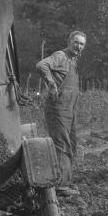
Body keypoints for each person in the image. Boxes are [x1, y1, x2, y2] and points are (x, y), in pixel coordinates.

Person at [36, 31, 87, 197]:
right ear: (69, 41)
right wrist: (51, 83)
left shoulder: (74, 61)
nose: (78, 46)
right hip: (58, 109)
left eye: (81, 44)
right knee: (62, 145)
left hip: (70, 109)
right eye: (76, 42)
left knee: (71, 143)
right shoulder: (61, 56)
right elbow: (41, 65)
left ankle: (66, 181)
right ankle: (61, 186)